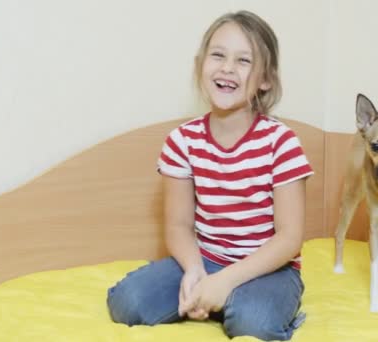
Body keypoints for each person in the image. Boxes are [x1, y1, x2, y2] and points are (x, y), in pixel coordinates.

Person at [107, 10, 313, 341]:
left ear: (265, 79)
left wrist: (225, 282)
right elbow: (178, 226)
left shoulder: (281, 143)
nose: (227, 67)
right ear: (199, 65)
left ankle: (247, 305)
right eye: (218, 55)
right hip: (206, 258)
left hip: (268, 269)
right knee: (126, 303)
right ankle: (215, 298)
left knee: (252, 324)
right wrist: (194, 271)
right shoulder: (182, 141)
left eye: (244, 60)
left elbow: (289, 239)